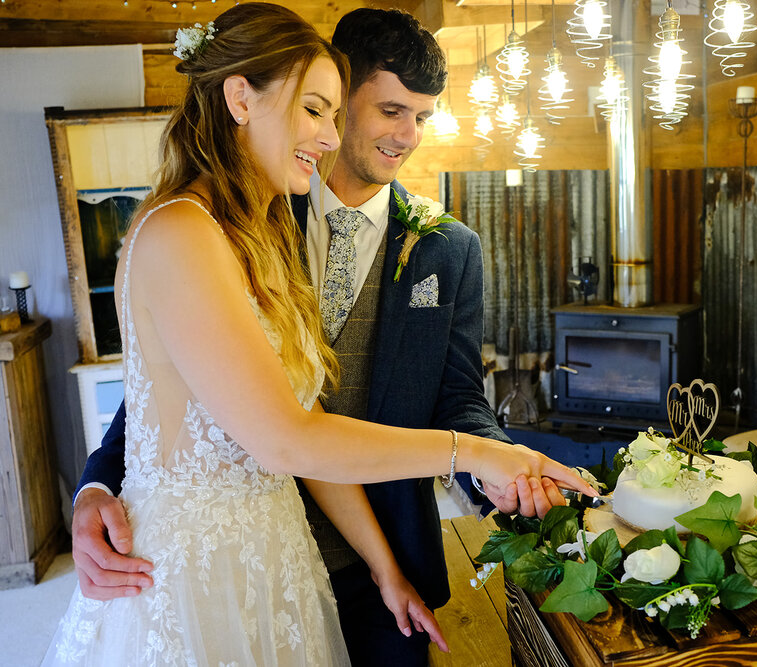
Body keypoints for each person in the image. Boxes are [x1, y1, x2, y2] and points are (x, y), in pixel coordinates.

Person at [46, 4, 592, 665]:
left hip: (328, 558)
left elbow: (442, 397)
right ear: (242, 98)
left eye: (421, 117)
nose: (406, 134)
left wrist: (482, 468)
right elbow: (222, 417)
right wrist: (95, 489)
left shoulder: (437, 247)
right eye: (327, 110)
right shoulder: (215, 225)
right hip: (206, 572)